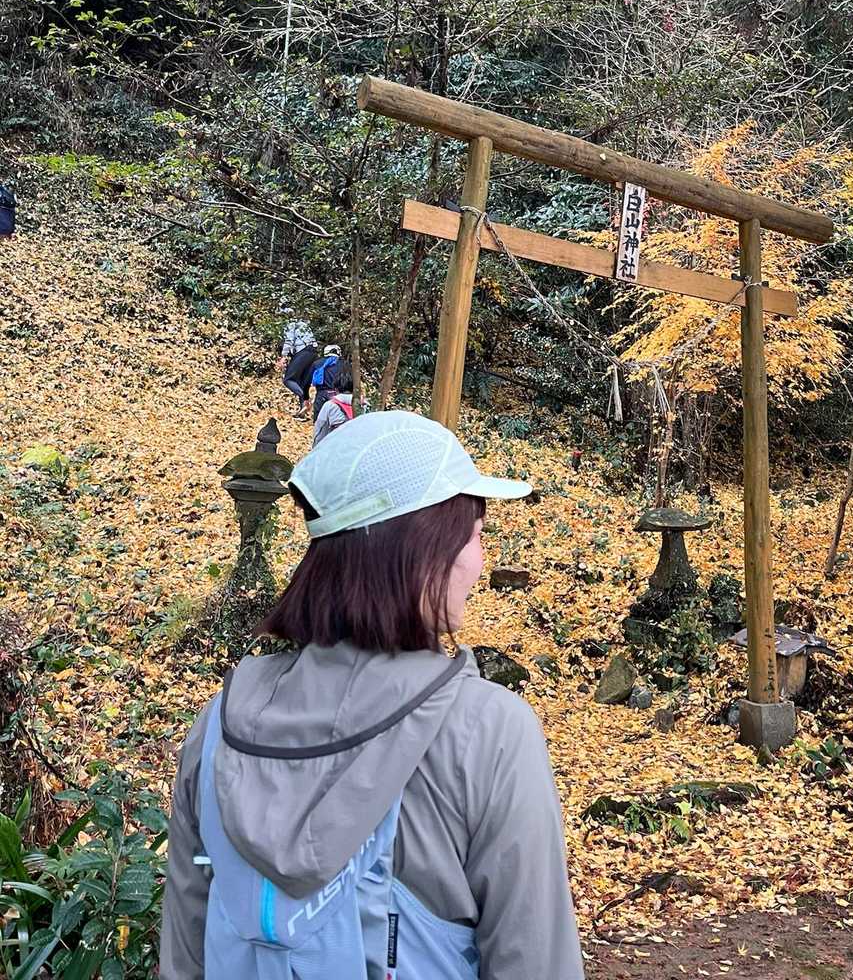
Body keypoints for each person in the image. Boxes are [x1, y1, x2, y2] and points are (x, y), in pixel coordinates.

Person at [160, 412, 584, 980]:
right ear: (421, 549)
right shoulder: (489, 732)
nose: (479, 563)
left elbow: (185, 953)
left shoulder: (220, 727)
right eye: (475, 535)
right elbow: (536, 961)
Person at [309, 344, 342, 422]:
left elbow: (310, 379)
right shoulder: (342, 364)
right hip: (337, 394)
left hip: (321, 394)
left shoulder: (317, 363)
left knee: (318, 420)